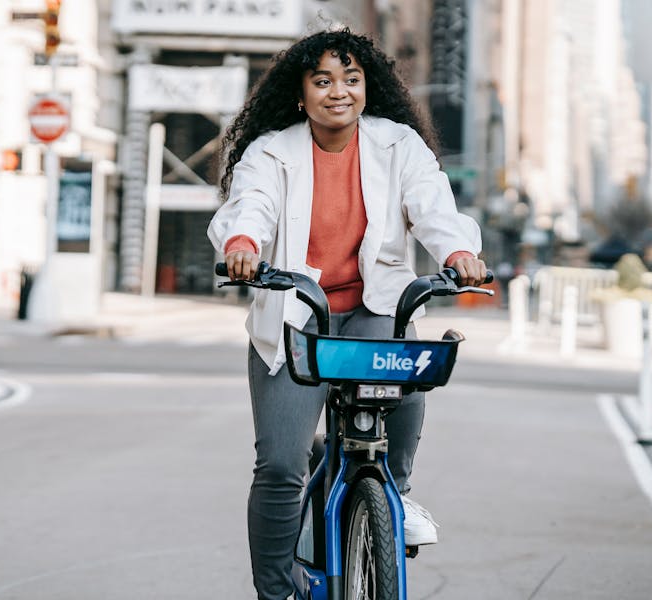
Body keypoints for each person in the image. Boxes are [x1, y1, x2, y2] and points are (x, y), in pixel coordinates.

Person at [207, 29, 487, 600]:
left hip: (370, 305)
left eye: (352, 79)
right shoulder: (272, 151)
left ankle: (395, 493)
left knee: (406, 369)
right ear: (300, 94)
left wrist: (458, 253)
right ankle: (277, 591)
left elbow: (432, 203)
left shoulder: (397, 144)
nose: (340, 91)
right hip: (295, 315)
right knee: (282, 466)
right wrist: (242, 245)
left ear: (368, 87)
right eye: (324, 80)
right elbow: (251, 204)